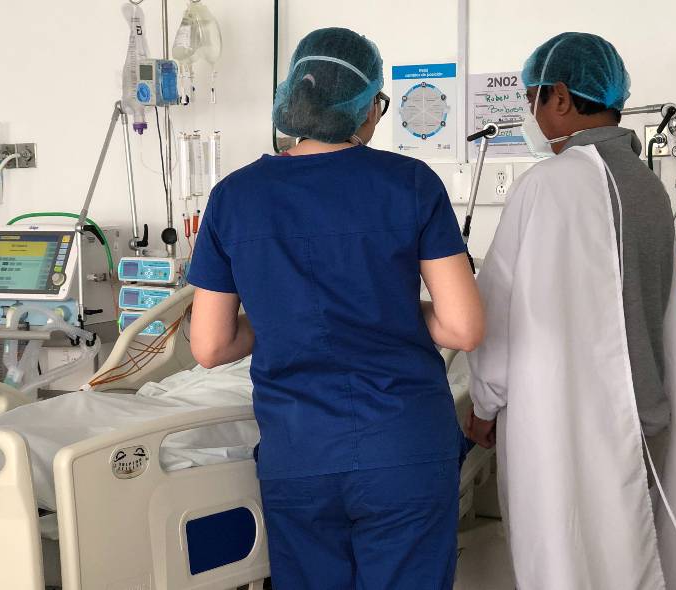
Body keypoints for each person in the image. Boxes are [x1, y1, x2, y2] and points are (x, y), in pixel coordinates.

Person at [187, 27, 484, 590]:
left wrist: (285, 318)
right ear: (366, 107)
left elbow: (210, 346)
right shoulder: (411, 184)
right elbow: (463, 328)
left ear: (296, 97)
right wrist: (390, 312)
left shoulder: (234, 196)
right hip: (404, 447)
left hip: (299, 454)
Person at [464, 32, 676, 589]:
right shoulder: (648, 187)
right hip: (643, 416)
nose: (530, 114)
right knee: (631, 560)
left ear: (559, 96)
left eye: (531, 97)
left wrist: (483, 403)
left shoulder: (548, 185)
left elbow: (497, 312)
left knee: (569, 562)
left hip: (571, 426)